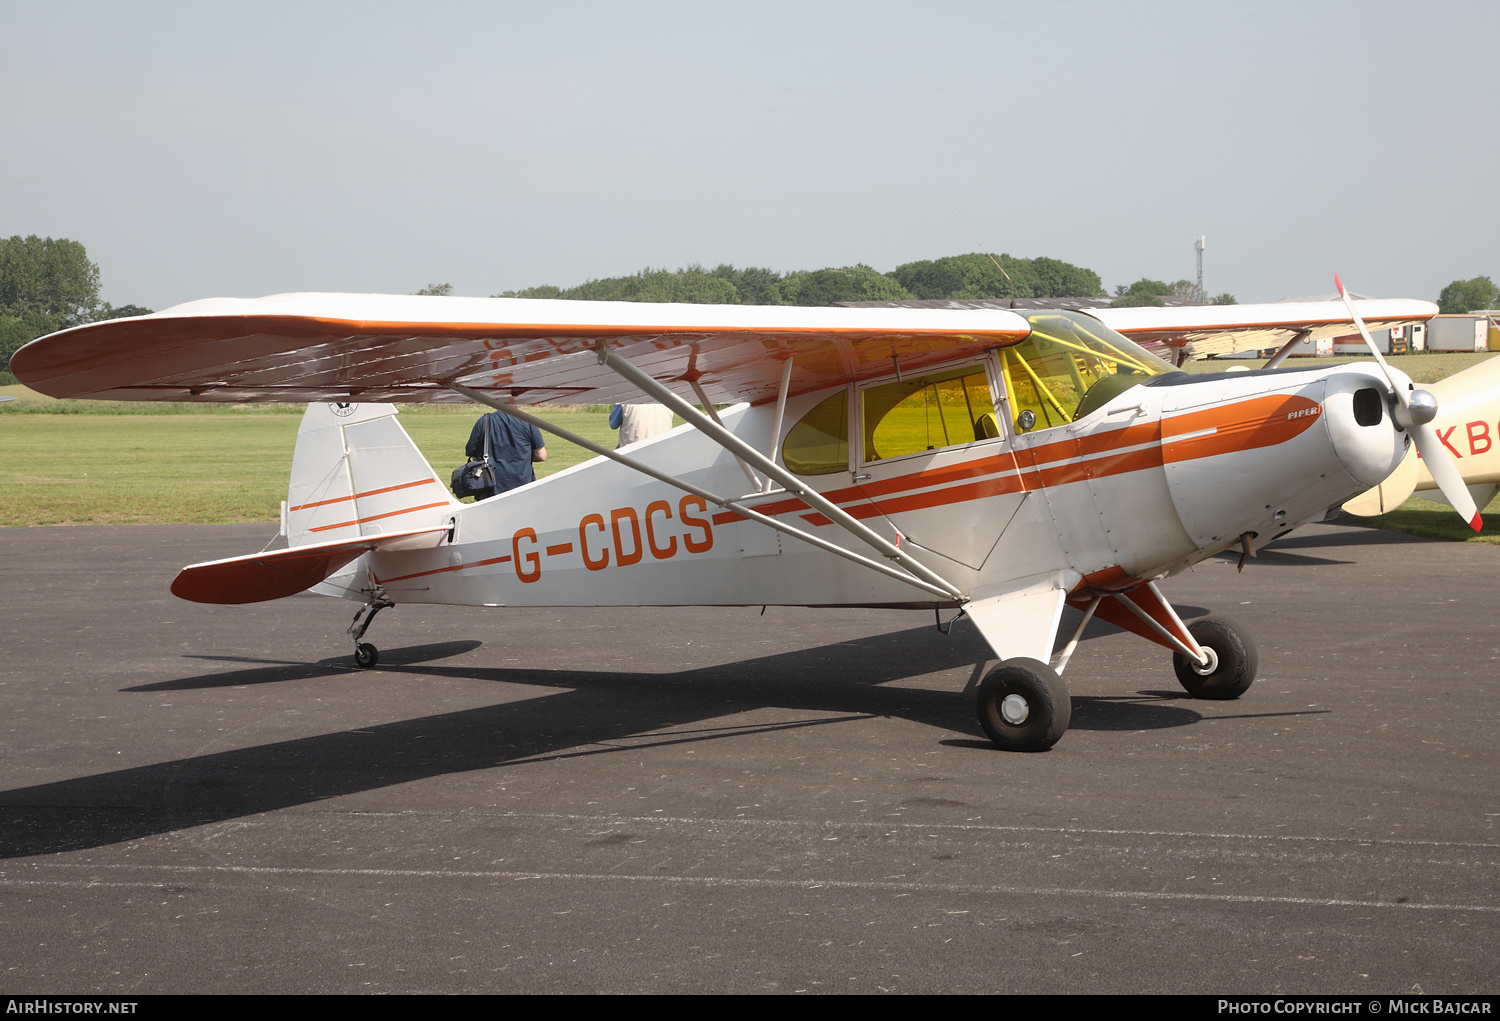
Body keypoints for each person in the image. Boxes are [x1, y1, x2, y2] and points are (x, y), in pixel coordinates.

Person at [465, 410, 547, 499]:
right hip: (523, 485)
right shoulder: (528, 421)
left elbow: (471, 451)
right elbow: (541, 456)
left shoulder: (484, 421)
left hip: (490, 486)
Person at [609, 402, 674, 448]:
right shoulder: (668, 401)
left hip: (631, 452)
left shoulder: (624, 401)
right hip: (663, 449)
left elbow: (613, 424)